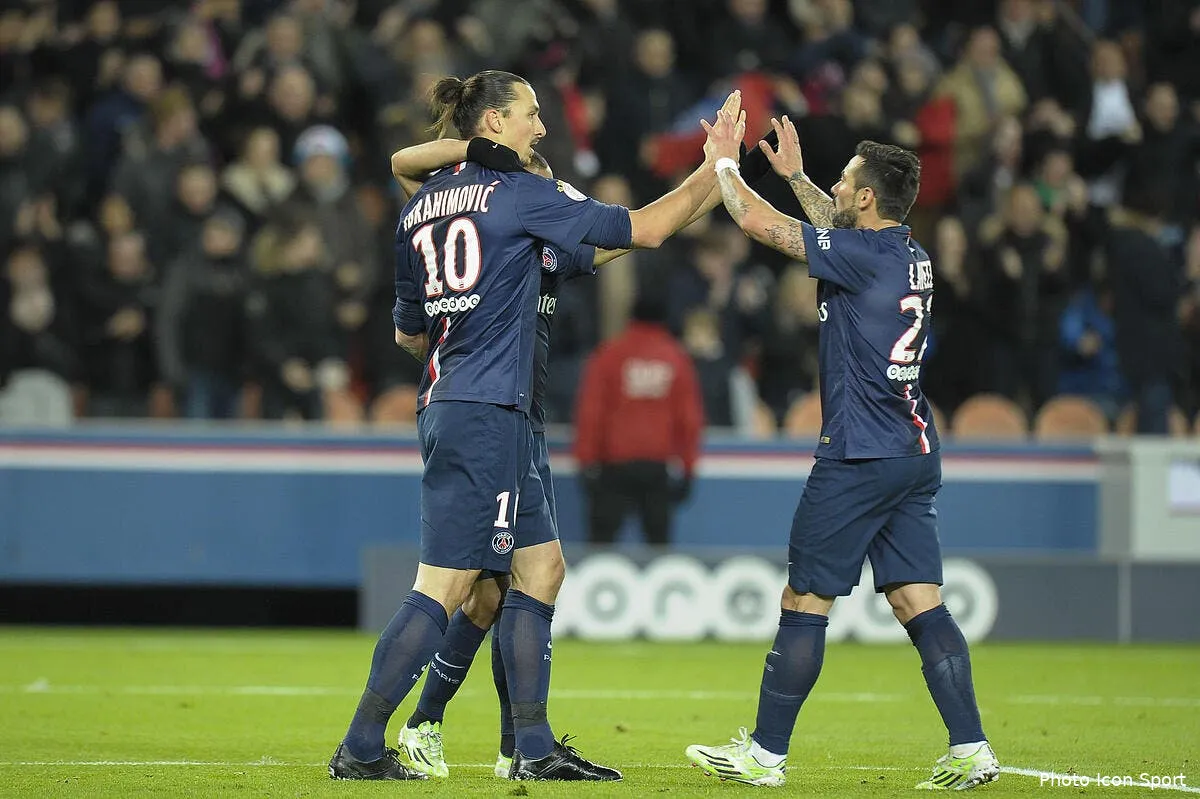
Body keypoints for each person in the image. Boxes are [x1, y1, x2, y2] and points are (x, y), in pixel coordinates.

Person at [328, 69, 733, 782]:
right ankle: (362, 744)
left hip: (468, 403)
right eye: (529, 115)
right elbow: (649, 228)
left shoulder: (422, 208)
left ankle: (532, 746)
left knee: (541, 568)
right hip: (487, 412)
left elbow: (408, 335)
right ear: (491, 124)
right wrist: (715, 166)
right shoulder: (522, 196)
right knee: (446, 584)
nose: (541, 128)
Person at [683, 114, 999, 791]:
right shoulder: (906, 252)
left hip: (859, 453)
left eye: (844, 180)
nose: (835, 185)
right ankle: (972, 746)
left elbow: (757, 225)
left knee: (804, 598)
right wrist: (797, 175)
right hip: (912, 449)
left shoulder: (861, 255)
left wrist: (723, 165)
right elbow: (835, 226)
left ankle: (764, 756)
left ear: (865, 199)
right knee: (919, 600)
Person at [574, 288, 705, 546]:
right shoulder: (676, 358)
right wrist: (689, 468)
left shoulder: (610, 354)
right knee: (658, 550)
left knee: (600, 548)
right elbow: (689, 421)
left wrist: (586, 461)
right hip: (656, 469)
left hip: (613, 467)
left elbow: (591, 412)